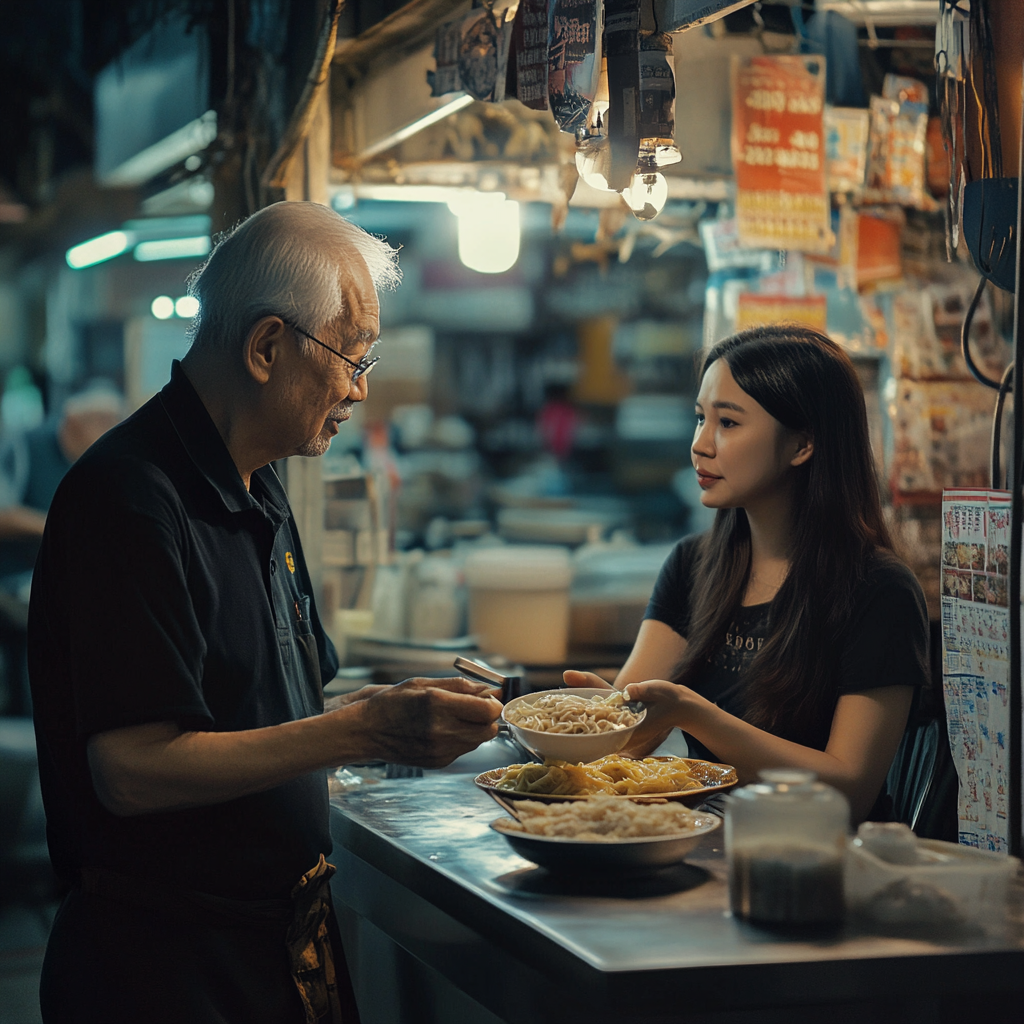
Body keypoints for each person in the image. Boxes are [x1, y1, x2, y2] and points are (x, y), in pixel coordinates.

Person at [28, 201, 502, 1024]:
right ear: (266, 347)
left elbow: (270, 713)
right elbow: (133, 770)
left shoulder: (258, 485)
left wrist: (395, 711)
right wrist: (365, 731)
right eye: (351, 358)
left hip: (270, 951)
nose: (360, 388)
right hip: (164, 973)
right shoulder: (130, 501)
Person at [566, 326, 929, 823]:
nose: (700, 445)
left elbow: (849, 790)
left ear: (802, 444)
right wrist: (597, 718)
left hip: (818, 869)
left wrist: (697, 716)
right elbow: (630, 740)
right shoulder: (693, 565)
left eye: (728, 423)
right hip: (705, 843)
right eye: (699, 419)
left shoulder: (880, 590)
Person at [0, 384, 125, 714]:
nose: (108, 429)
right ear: (73, 420)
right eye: (101, 421)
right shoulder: (25, 446)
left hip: (65, 576)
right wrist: (55, 526)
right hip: (15, 578)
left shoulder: (97, 462)